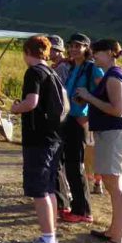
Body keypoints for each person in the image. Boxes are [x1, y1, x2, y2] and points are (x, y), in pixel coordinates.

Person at [74, 39, 122, 243]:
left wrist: (89, 97)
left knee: (116, 186)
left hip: (114, 135)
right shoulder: (113, 75)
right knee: (114, 185)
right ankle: (114, 231)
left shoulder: (114, 76)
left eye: (97, 52)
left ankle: (118, 239)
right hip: (113, 135)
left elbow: (118, 110)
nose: (94, 56)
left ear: (110, 53)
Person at [10, 35, 62, 243]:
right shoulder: (52, 72)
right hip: (54, 137)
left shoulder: (34, 72)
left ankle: (48, 241)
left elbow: (32, 102)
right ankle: (49, 235)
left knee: (39, 190)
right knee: (49, 188)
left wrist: (16, 108)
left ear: (27, 52)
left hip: (38, 139)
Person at [60, 33, 104, 223]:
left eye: (78, 46)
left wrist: (89, 113)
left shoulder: (92, 69)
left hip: (79, 121)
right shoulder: (72, 68)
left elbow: (104, 93)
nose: (73, 49)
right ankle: (79, 208)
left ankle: (83, 211)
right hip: (68, 119)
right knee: (70, 165)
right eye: (71, 46)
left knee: (76, 165)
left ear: (87, 48)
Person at [48, 35, 73, 216]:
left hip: (62, 118)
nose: (53, 53)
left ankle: (63, 198)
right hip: (62, 117)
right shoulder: (57, 66)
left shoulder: (62, 68)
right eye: (52, 49)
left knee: (59, 161)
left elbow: (60, 93)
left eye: (56, 50)